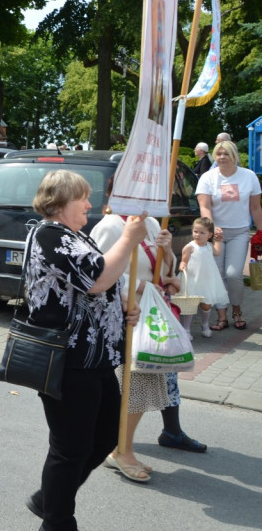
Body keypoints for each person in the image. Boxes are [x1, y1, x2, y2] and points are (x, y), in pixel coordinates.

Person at [22, 170, 144, 529]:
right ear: (60, 203)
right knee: (70, 449)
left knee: (107, 435)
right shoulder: (49, 236)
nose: (90, 205)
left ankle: (48, 497)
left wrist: (122, 305)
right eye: (83, 198)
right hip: (67, 360)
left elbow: (103, 285)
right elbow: (96, 277)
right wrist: (129, 237)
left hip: (97, 358)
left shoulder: (76, 236)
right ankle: (57, 520)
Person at [92, 206, 206, 484]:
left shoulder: (154, 223)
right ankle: (121, 450)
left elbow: (165, 273)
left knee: (140, 384)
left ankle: (120, 446)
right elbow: (99, 272)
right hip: (125, 315)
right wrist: (142, 285)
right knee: (134, 384)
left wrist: (167, 254)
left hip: (150, 316)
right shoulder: (109, 226)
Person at [195, 140, 262, 330]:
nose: (222, 157)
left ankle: (237, 310)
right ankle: (222, 316)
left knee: (233, 274)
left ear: (234, 156)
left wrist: (261, 231)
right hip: (216, 234)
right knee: (217, 275)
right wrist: (212, 227)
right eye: (219, 154)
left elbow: (256, 208)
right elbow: (204, 207)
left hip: (239, 232)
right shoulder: (208, 178)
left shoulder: (248, 177)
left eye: (226, 154)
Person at [180, 217, 227, 338]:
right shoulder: (189, 247)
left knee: (206, 304)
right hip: (193, 279)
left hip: (207, 279)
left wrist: (219, 241)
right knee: (190, 304)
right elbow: (184, 260)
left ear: (209, 234)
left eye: (202, 232)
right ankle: (186, 329)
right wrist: (183, 264)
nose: (198, 235)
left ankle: (205, 324)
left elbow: (217, 253)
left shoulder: (209, 246)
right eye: (195, 231)